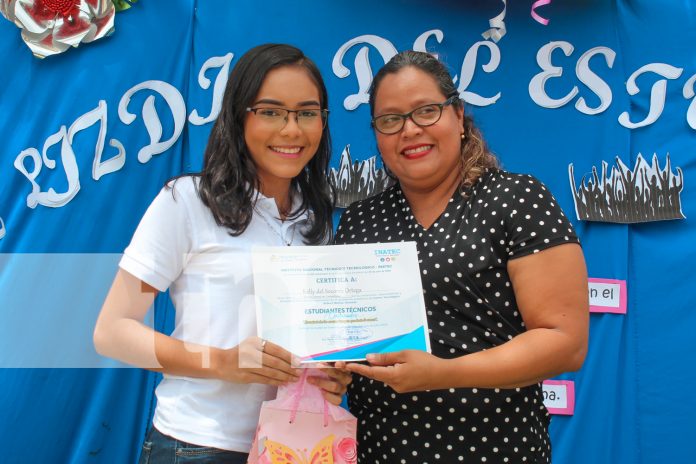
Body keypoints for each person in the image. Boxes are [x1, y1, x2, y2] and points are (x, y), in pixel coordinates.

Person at [94, 44, 351, 464]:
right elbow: (112, 332)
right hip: (196, 445)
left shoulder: (317, 218)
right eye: (270, 111)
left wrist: (332, 377)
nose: (292, 130)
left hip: (296, 446)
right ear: (238, 115)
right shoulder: (188, 201)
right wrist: (224, 362)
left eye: (307, 113)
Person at [334, 50, 589, 463]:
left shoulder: (517, 199)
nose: (409, 130)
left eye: (427, 111)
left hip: (494, 450)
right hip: (380, 451)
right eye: (390, 119)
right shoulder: (360, 221)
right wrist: (327, 370)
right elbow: (345, 337)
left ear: (458, 114)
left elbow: (564, 342)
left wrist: (443, 374)